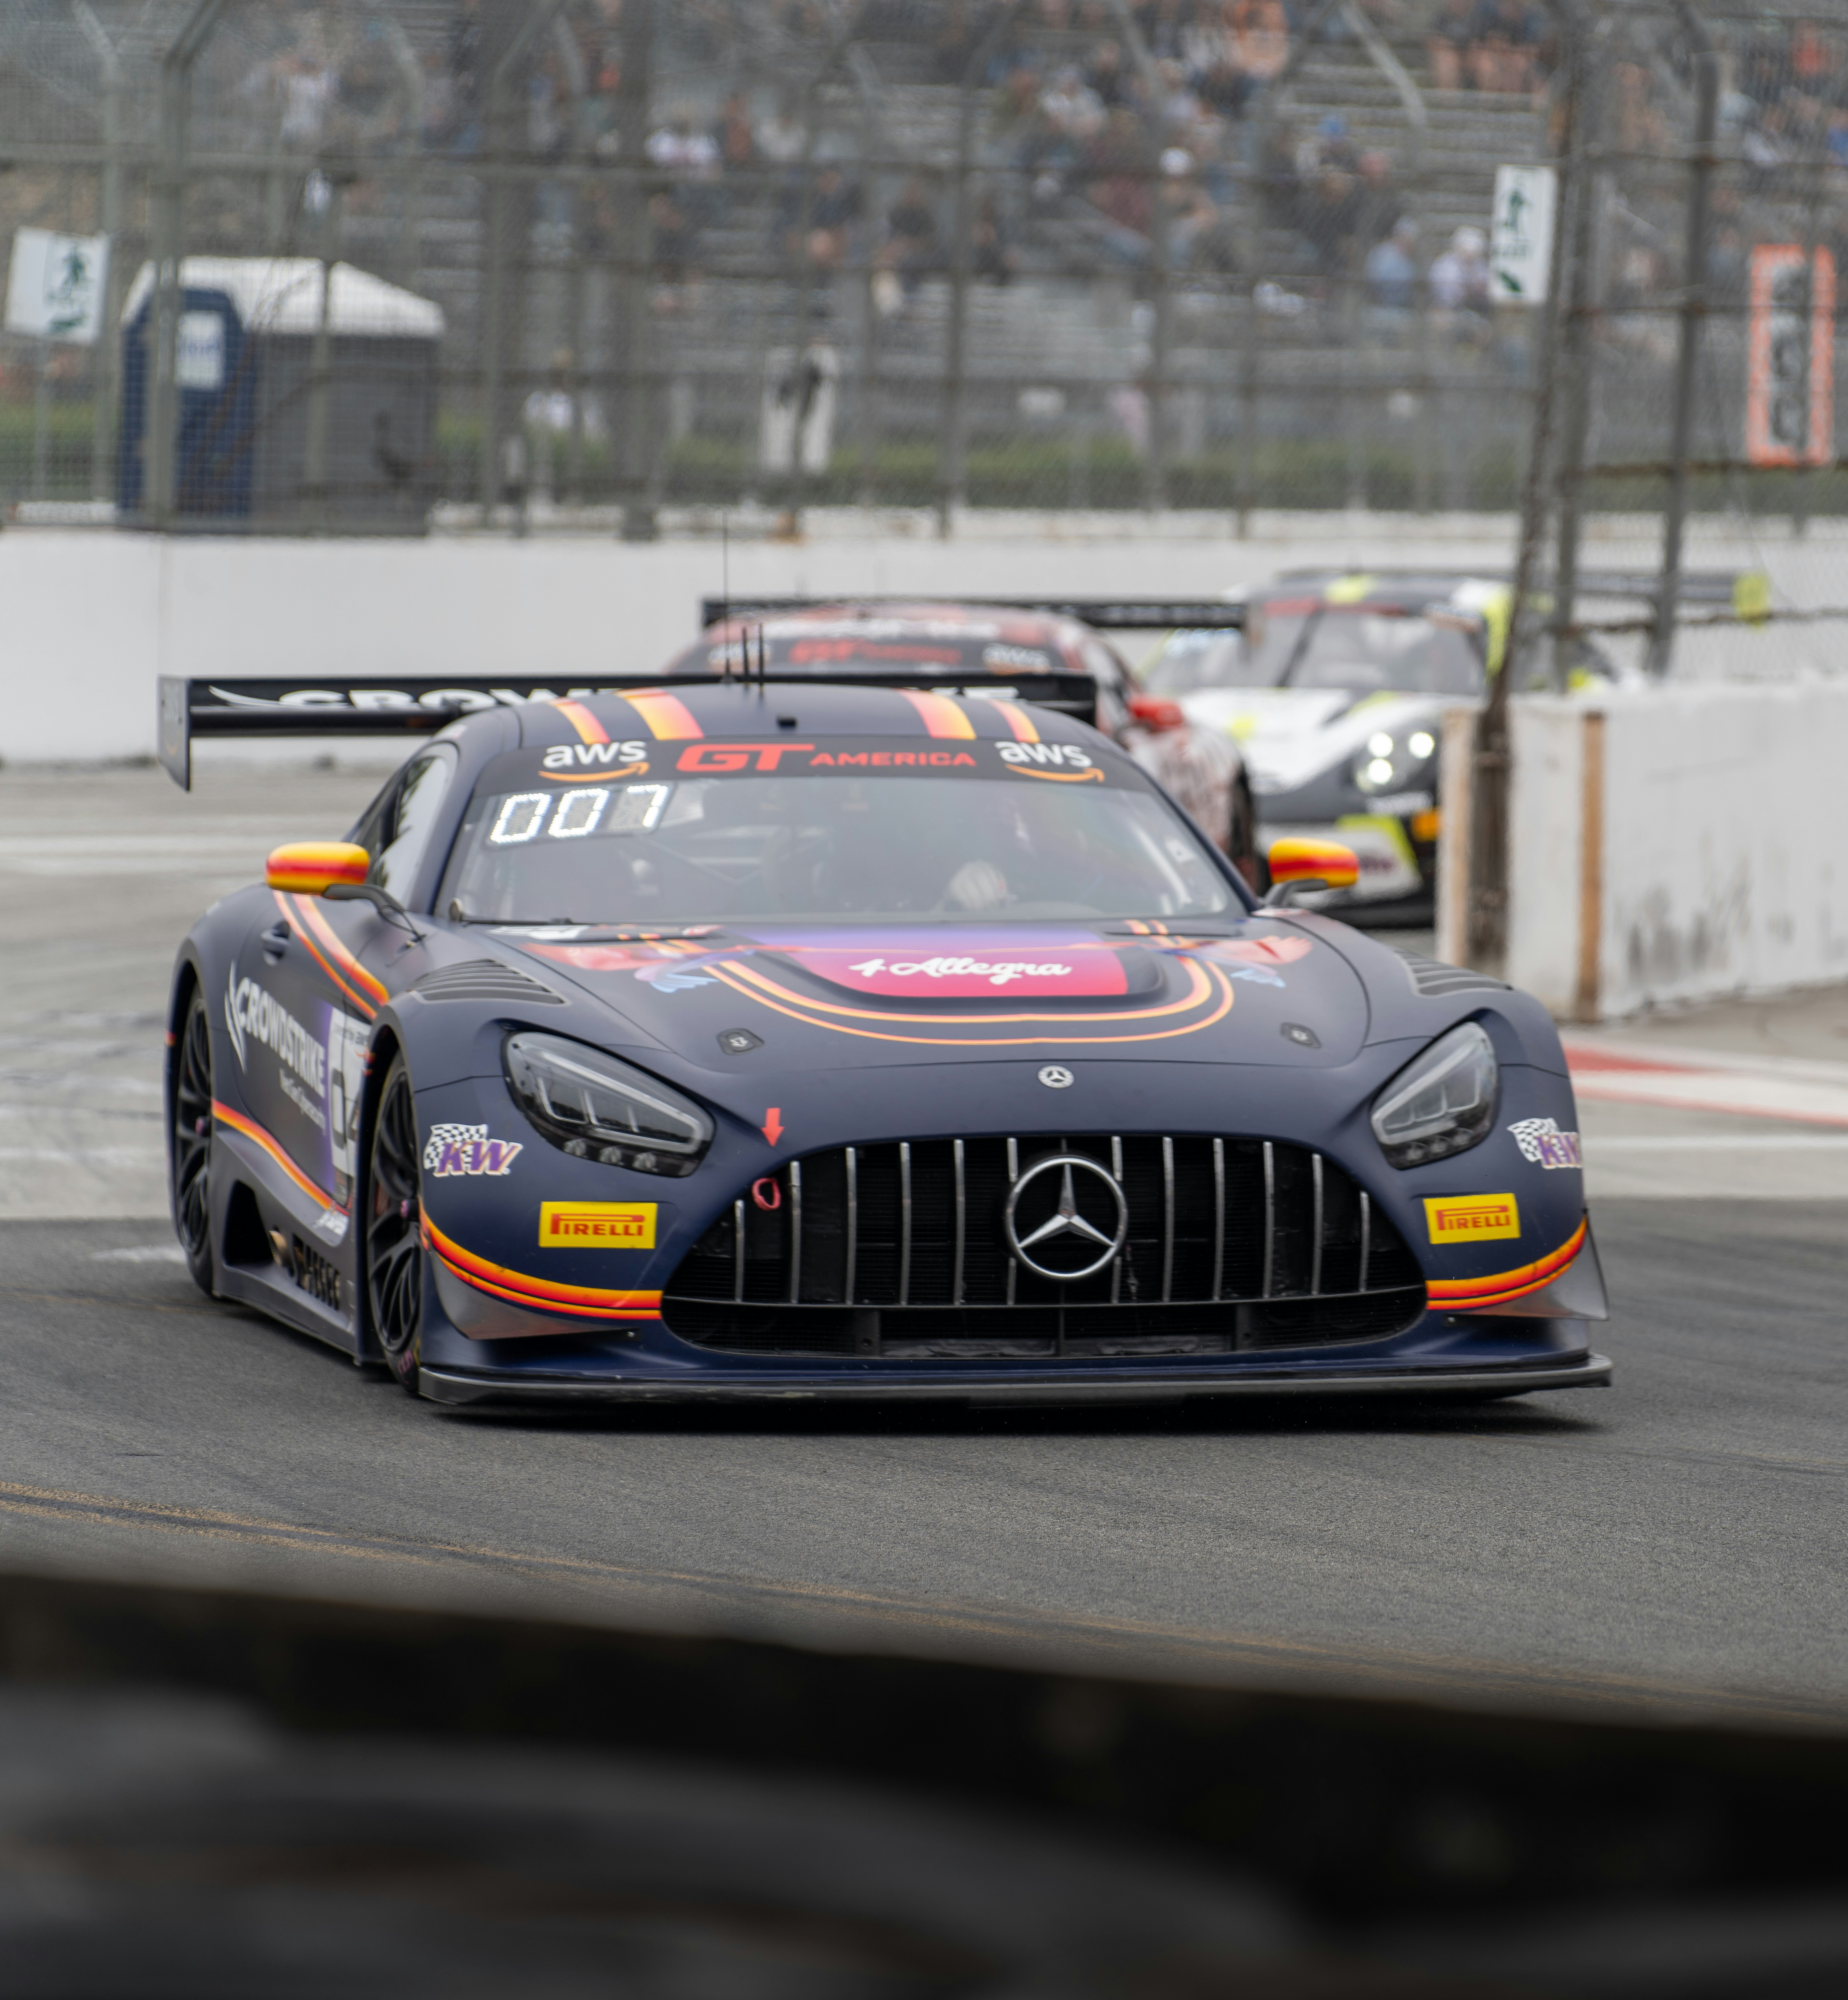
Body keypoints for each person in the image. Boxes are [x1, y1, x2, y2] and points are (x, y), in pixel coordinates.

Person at [1426, 0, 1473, 92]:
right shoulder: (1440, 18)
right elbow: (1431, 42)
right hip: (1449, 55)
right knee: (1447, 61)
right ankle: (1449, 98)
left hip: (1471, 56)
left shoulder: (1476, 18)